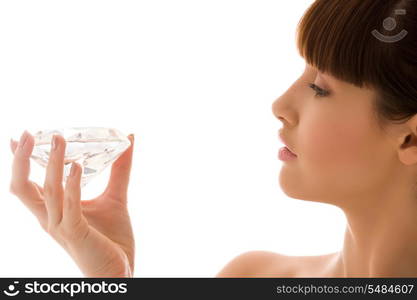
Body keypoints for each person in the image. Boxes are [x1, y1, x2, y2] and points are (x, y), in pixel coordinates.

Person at [9, 0, 417, 278]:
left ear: (409, 139)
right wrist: (111, 281)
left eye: (320, 88)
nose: (280, 104)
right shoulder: (252, 277)